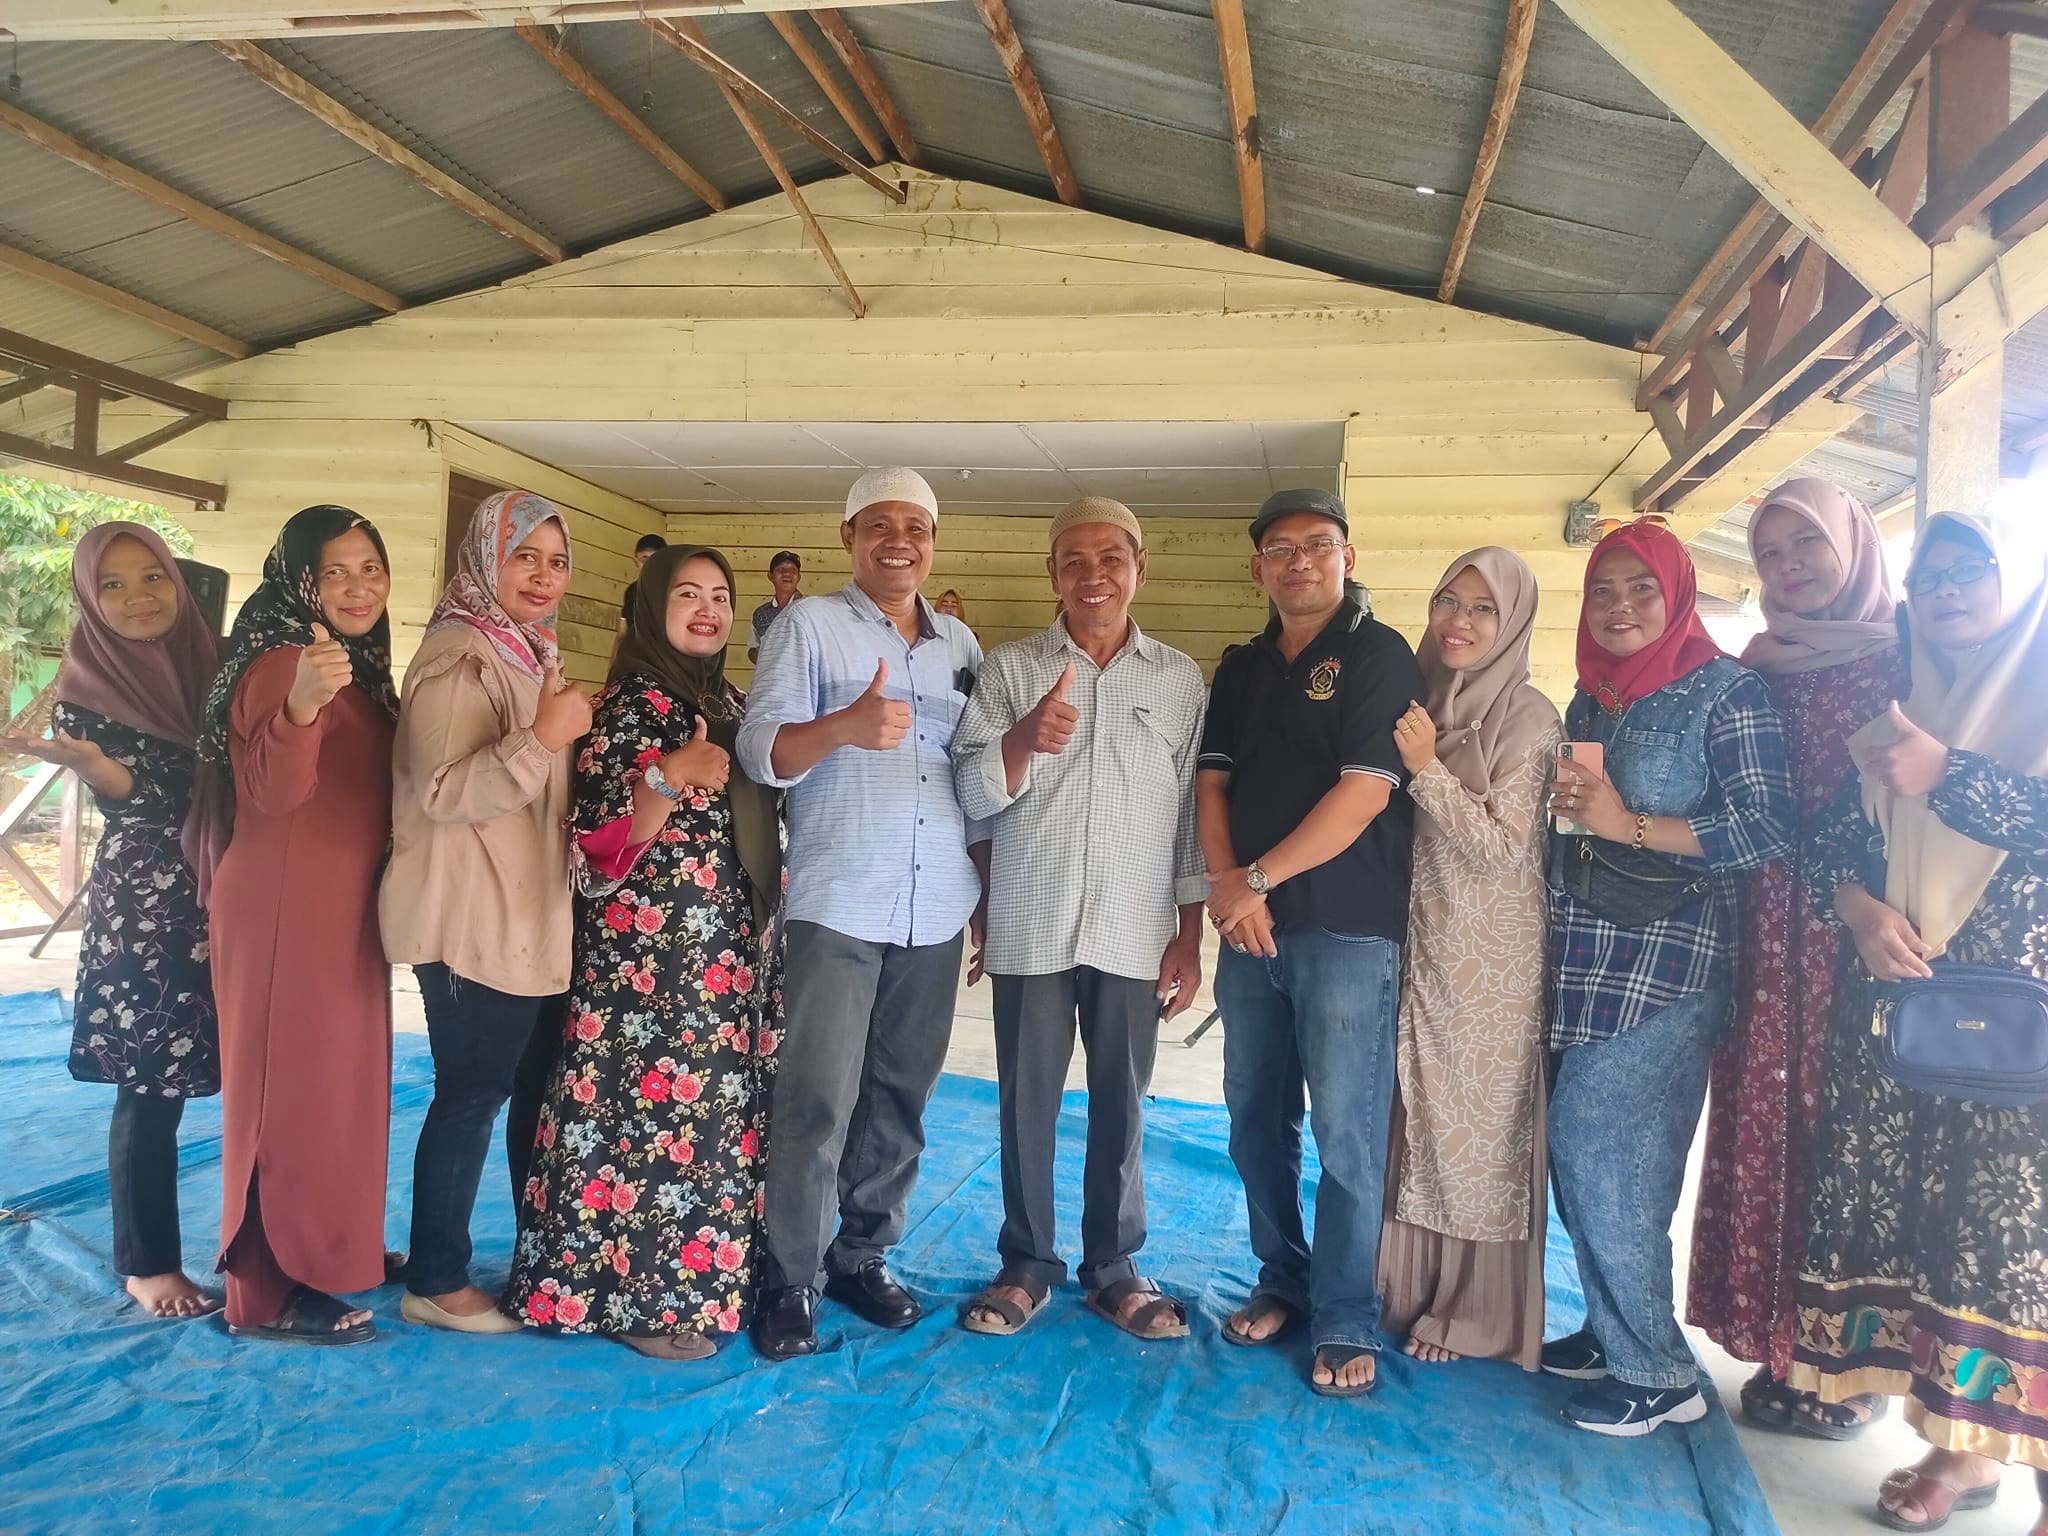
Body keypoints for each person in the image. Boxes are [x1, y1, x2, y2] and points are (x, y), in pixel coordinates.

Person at [1790, 507, 2048, 1532]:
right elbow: (1829, 848)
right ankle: (1962, 1454)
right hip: (1904, 1019)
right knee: (1934, 1241)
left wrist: (1952, 776)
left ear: (2012, 580)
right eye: (1926, 578)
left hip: (2022, 1031)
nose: (1944, 591)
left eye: (1967, 570)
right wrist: (1858, 913)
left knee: (2018, 1245)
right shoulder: (1897, 713)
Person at [1540, 520, 1793, 1435]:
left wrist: (1629, 824)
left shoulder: (1728, 693)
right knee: (1595, 1157)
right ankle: (1616, 1332)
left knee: (1599, 1147)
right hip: (1583, 955)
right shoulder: (1594, 696)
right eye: (1603, 590)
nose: (1620, 607)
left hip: (1671, 963)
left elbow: (1768, 828)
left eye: (1641, 588)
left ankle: (1656, 1373)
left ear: (1677, 593)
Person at [736, 466, 990, 1361]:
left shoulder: (961, 644)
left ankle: (861, 1255)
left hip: (936, 902)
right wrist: (842, 727)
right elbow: (759, 750)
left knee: (901, 1095)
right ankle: (790, 1277)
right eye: (880, 525)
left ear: (933, 542)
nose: (899, 542)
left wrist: (989, 893)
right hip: (841, 897)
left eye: (916, 527)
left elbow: (976, 777)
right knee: (816, 1099)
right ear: (849, 536)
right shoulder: (809, 625)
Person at [507, 545, 782, 1361]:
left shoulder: (725, 698)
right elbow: (596, 841)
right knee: (646, 1123)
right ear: (651, 610)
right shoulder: (626, 706)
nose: (707, 609)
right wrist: (667, 775)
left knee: (706, 1119)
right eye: (687, 594)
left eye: (720, 596)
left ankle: (702, 1283)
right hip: (646, 961)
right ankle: (630, 1297)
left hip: (722, 955)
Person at [951, 497, 1206, 1340]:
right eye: (1074, 561)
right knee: (1025, 1102)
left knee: (1121, 1104)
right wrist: (1022, 738)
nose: (1093, 576)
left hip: (1134, 925)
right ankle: (1027, 1262)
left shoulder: (1177, 679)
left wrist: (1190, 931)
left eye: (1111, 559)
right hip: (1033, 916)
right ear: (1052, 574)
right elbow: (970, 791)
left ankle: (1113, 1268)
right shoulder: (1011, 669)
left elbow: (1188, 815)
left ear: (1140, 569)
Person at [1198, 487, 1425, 1399]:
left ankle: (1344, 1314)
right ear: (1259, 567)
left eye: (1318, 545)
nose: (1300, 561)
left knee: (1346, 1133)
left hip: (1346, 930)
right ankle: (1282, 1280)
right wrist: (1230, 890)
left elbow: (1364, 793)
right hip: (1250, 932)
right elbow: (1212, 787)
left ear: (1347, 557)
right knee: (1254, 1120)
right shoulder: (1242, 666)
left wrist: (1254, 881)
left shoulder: (1379, 654)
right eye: (1282, 549)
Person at [1687, 479, 1900, 1436]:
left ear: (1852, 541)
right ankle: (1782, 1348)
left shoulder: (1908, 662)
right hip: (1762, 934)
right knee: (1766, 1125)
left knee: (1846, 1139)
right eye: (1769, 552)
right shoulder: (1756, 669)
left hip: (1863, 939)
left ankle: (1849, 1367)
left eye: (1805, 542)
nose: (1788, 566)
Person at [381, 490, 592, 1335]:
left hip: (520, 911)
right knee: (471, 1094)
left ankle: (531, 1260)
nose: (542, 576)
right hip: (470, 914)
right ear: (483, 560)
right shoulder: (457, 656)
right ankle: (435, 1279)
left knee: (519, 1088)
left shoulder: (522, 648)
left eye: (556, 561)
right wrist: (545, 736)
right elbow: (443, 790)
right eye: (523, 557)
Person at [0, 524, 221, 1319]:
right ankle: (147, 1263)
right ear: (90, 600)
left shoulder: (215, 666)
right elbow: (143, 796)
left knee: (266, 1070)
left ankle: (273, 1240)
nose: (137, 598)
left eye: (151, 576)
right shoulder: (88, 693)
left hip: (238, 884)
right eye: (114, 585)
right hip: (152, 907)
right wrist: (100, 770)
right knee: (152, 1081)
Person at [197, 504, 401, 1345]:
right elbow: (273, 792)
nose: (358, 588)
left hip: (340, 909)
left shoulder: (355, 663)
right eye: (335, 572)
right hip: (285, 908)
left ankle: (324, 1248)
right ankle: (262, 1291)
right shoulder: (281, 662)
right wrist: (303, 708)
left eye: (371, 569)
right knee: (281, 1098)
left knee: (335, 1093)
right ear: (299, 580)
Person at [1377, 547, 1562, 1370]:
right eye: (1448, 600)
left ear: (1512, 621)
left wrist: (1425, 769)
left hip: (1491, 956)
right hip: (1413, 938)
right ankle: (1402, 1288)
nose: (1459, 620)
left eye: (1484, 609)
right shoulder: (1412, 697)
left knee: (1476, 1128)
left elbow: (1501, 847)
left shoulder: (1531, 719)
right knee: (1411, 1111)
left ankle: (1470, 1310)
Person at [613, 534, 667, 659]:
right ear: (636, 561)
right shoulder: (632, 592)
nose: (649, 564)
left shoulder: (672, 590)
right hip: (637, 658)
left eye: (654, 559)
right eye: (644, 559)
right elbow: (622, 634)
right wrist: (613, 665)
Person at [749, 550, 803, 663]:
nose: (787, 574)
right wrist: (766, 654)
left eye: (792, 570)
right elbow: (752, 649)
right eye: (781, 570)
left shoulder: (809, 609)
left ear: (798, 577)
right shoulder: (760, 614)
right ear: (770, 576)